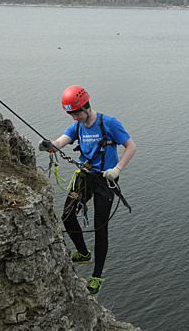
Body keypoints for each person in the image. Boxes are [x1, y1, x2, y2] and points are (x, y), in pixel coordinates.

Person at [38, 85, 136, 295]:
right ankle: (83, 253)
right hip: (85, 177)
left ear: (85, 106)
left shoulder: (109, 123)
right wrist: (49, 145)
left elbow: (131, 146)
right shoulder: (77, 127)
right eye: (70, 114)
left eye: (75, 113)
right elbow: (59, 143)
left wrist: (117, 169)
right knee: (67, 215)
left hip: (105, 181)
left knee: (101, 228)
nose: (74, 118)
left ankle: (97, 276)